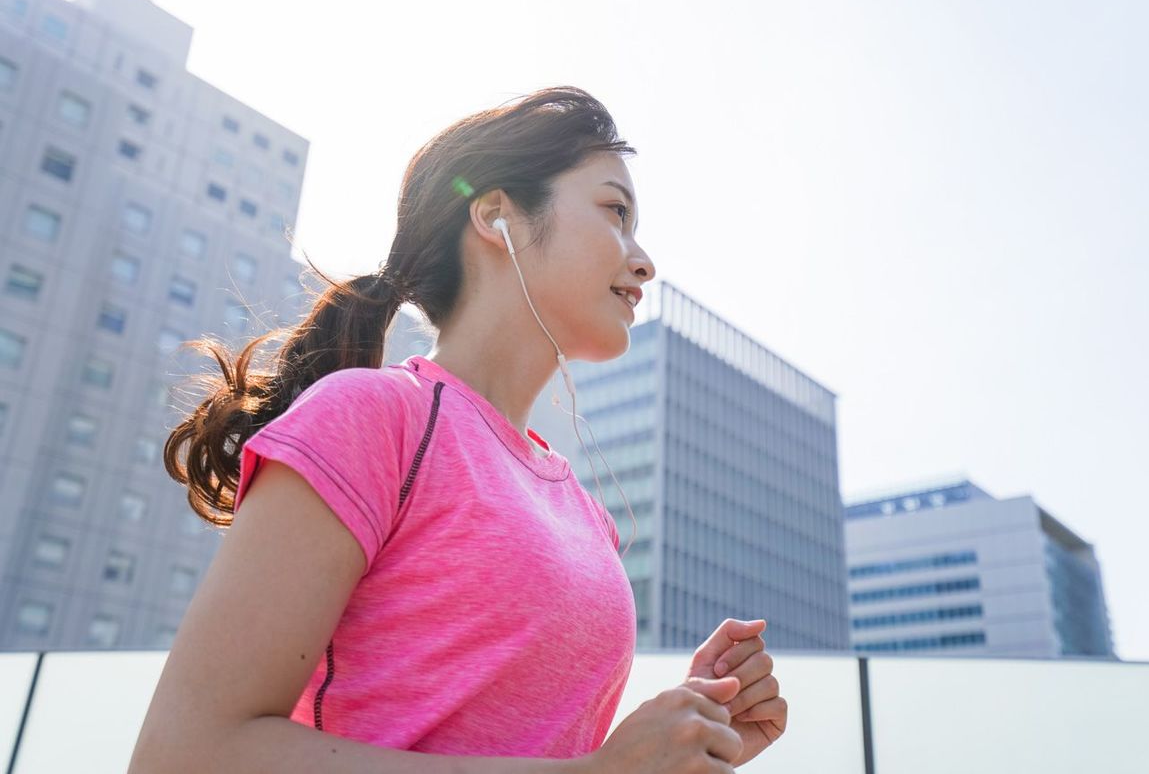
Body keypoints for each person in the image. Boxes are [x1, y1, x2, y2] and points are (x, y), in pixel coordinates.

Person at [129, 86, 786, 773]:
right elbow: (184, 754)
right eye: (615, 211)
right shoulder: (374, 415)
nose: (643, 259)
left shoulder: (587, 517)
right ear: (496, 215)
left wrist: (684, 731)